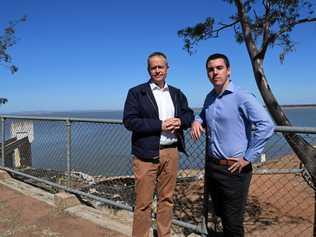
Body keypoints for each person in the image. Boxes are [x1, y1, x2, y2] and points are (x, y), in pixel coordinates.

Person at [191, 53, 274, 236]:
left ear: (229, 71)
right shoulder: (209, 97)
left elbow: (266, 125)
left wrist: (248, 157)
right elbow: (204, 114)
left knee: (233, 222)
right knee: (220, 214)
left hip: (235, 170)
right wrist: (197, 121)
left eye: (219, 68)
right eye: (211, 69)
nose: (215, 72)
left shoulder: (242, 96)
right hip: (213, 167)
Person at [123, 52, 194, 237]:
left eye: (160, 66)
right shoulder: (137, 92)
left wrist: (180, 121)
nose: (157, 70)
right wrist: (160, 125)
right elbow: (130, 121)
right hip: (146, 155)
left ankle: (164, 235)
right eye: (153, 67)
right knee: (143, 203)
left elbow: (189, 115)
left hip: (171, 152)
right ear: (149, 70)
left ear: (167, 68)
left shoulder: (177, 93)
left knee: (167, 200)